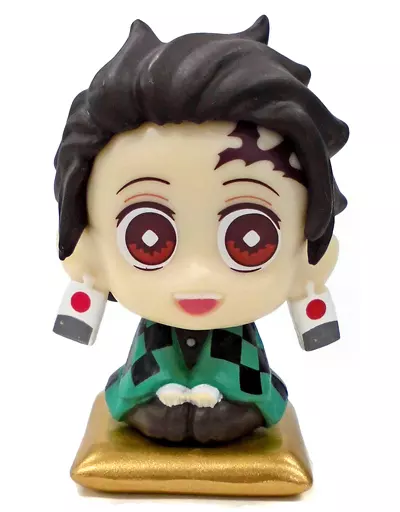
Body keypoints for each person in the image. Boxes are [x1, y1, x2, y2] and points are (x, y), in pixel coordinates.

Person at [54, 15, 349, 443]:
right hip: (151, 384)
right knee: (154, 406)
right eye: (148, 240)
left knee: (233, 407)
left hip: (240, 385)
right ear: (89, 252)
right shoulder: (141, 325)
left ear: (309, 255)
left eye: (250, 240)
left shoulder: (248, 342)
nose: (197, 275)